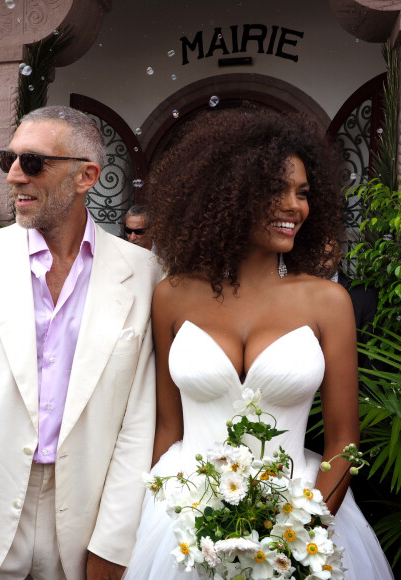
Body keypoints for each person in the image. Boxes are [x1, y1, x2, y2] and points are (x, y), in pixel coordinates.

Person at [123, 108, 394, 579]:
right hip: (183, 522)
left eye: (303, 194)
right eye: (276, 191)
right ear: (228, 195)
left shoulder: (327, 302)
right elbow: (168, 431)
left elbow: (343, 438)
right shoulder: (171, 296)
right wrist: (159, 517)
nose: (295, 206)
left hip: (301, 520)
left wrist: (307, 530)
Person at [0, 105, 162, 580]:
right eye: (10, 160)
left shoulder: (142, 274)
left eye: (33, 162)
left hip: (85, 521)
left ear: (86, 176)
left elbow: (138, 421)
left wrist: (115, 539)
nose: (14, 176)